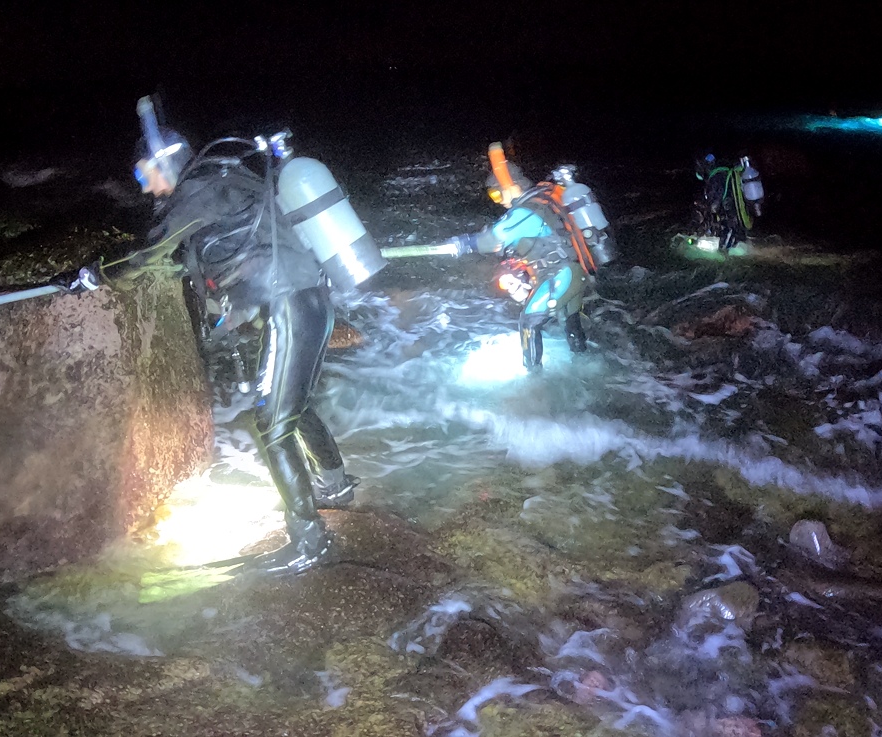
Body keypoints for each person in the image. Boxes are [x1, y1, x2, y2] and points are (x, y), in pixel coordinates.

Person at [125, 95, 386, 574]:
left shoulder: (198, 192)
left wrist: (90, 276)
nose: (146, 188)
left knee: (272, 423)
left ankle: (308, 541)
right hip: (310, 302)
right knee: (292, 407)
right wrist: (232, 314)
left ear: (166, 163)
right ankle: (335, 485)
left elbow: (146, 254)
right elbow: (254, 255)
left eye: (145, 175)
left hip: (290, 307)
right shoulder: (230, 182)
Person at [446, 142, 616, 369]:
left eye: (497, 193)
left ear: (512, 186)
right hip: (577, 272)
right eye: (493, 196)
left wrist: (463, 243)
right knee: (569, 320)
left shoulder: (524, 212)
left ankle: (533, 378)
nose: (498, 200)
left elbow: (491, 240)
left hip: (560, 276)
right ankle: (585, 364)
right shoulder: (544, 197)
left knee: (529, 321)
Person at [693, 153, 764, 252]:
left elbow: (714, 206)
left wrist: (704, 207)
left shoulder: (715, 178)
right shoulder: (727, 174)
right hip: (740, 222)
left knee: (724, 253)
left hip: (730, 225)